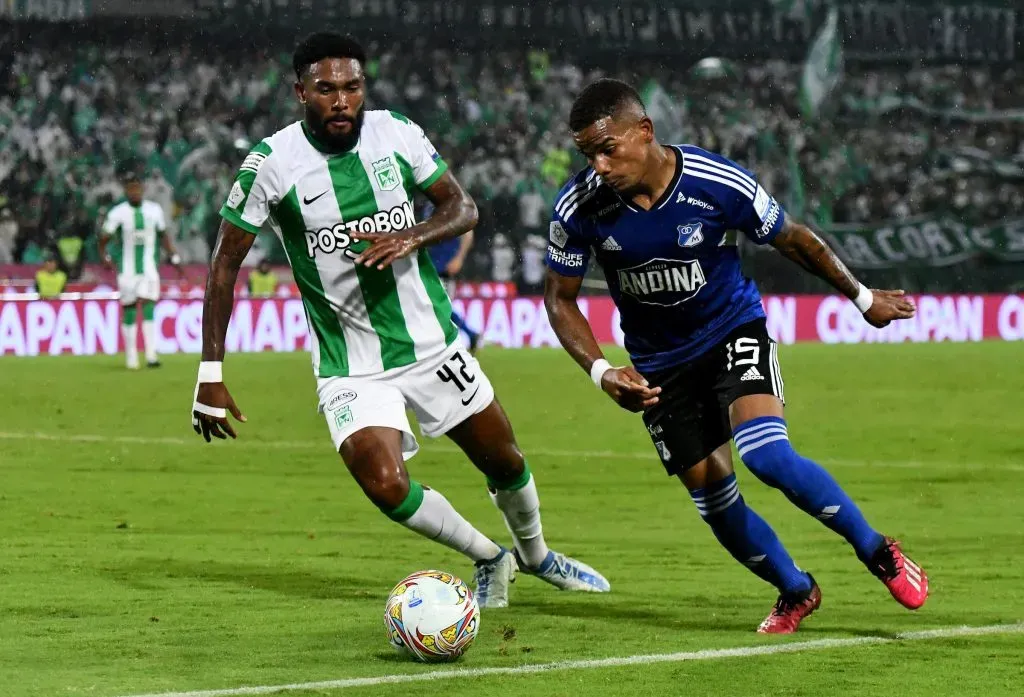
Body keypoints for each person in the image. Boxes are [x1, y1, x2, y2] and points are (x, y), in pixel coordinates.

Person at [190, 33, 609, 608]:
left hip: (432, 344)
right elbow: (224, 265)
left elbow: (462, 209)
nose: (341, 100)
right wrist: (209, 370)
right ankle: (490, 557)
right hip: (350, 364)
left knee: (504, 459)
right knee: (384, 482)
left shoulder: (398, 134)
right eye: (326, 89)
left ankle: (538, 556)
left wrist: (409, 236)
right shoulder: (270, 164)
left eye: (352, 87)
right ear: (300, 92)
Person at [543, 78, 927, 633]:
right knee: (713, 498)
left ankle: (876, 551)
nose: (598, 165)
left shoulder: (715, 182)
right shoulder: (579, 207)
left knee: (766, 456)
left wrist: (862, 297)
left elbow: (791, 237)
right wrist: (603, 372)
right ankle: (796, 589)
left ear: (644, 132)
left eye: (608, 149)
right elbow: (559, 298)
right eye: (588, 154)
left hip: (730, 331)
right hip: (658, 364)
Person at [99, 171, 182, 369]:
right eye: (131, 189)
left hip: (148, 269)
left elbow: (164, 236)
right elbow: (103, 238)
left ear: (143, 190)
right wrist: (105, 257)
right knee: (129, 308)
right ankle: (131, 358)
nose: (134, 192)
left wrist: (174, 256)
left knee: (148, 306)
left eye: (137, 188)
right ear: (126, 191)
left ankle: (151, 355)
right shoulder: (117, 212)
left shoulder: (154, 210)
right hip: (127, 270)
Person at [424, 199, 481, 353]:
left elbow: (468, 233)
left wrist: (459, 258)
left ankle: (462, 338)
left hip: (445, 268)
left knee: (440, 307)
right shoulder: (429, 206)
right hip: (431, 266)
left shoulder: (450, 203)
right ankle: (468, 335)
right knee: (435, 307)